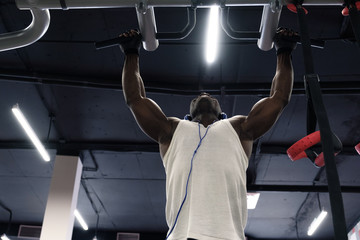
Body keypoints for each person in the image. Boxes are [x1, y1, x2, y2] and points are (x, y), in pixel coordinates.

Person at [119, 27, 297, 240]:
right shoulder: (172, 129)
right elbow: (135, 99)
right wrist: (131, 53)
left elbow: (278, 98)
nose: (203, 95)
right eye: (197, 96)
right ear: (189, 111)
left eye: (210, 95)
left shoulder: (239, 128)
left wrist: (284, 50)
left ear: (221, 111)